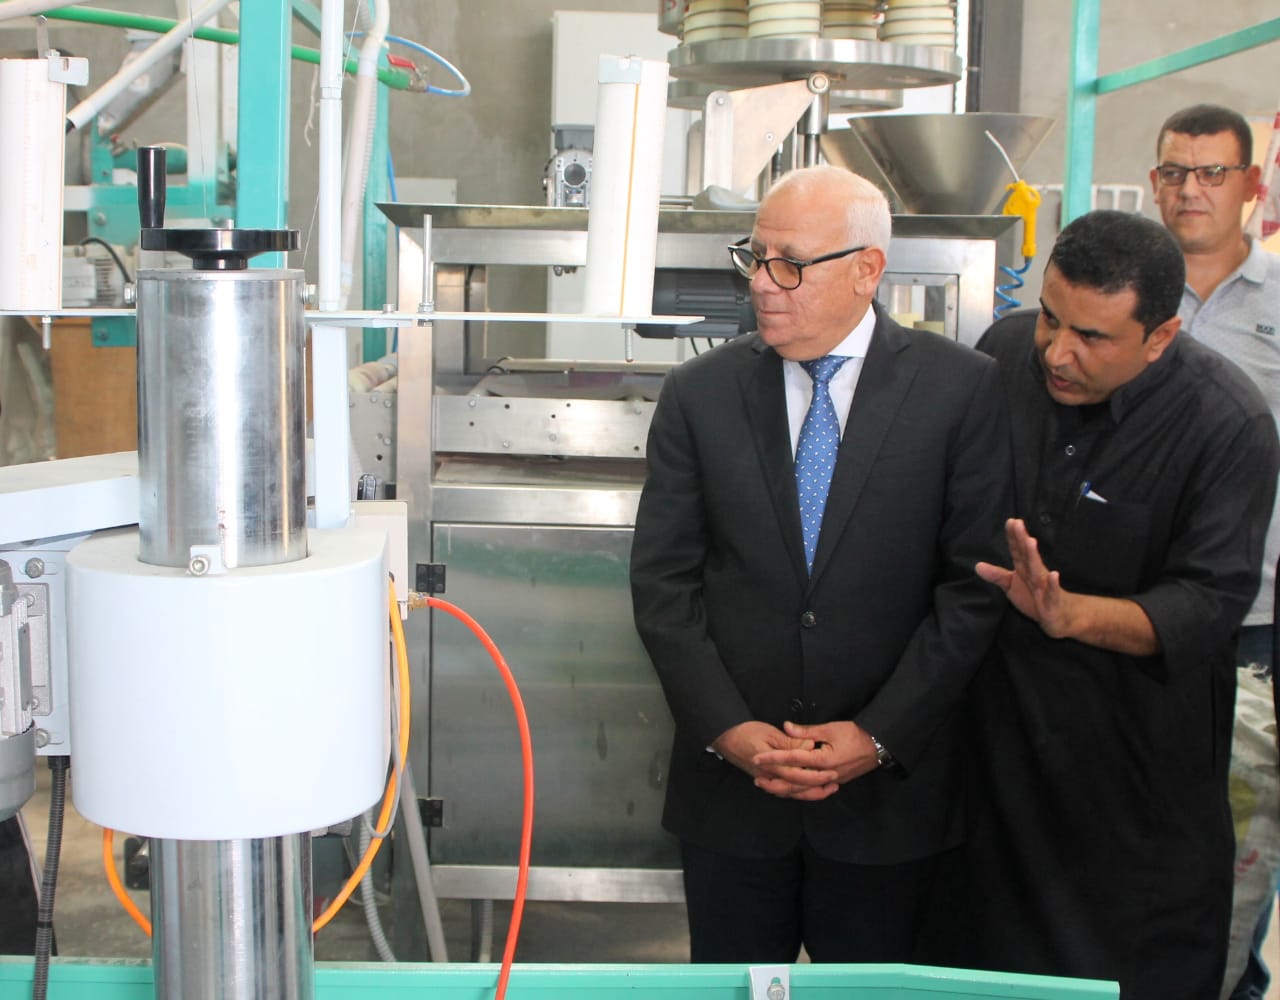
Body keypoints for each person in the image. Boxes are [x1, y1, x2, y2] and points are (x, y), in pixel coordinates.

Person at [629, 164, 1014, 964]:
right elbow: (664, 585)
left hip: (891, 804)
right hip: (734, 800)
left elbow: (971, 592)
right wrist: (730, 730)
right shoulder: (700, 394)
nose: (763, 284)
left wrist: (878, 735)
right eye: (755, 258)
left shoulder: (960, 390)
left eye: (791, 264)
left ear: (868, 270)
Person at [966, 209, 1280, 1000]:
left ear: (1161, 336)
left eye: (1092, 337)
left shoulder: (1227, 424)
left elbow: (1207, 602)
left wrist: (1071, 614)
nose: (1057, 352)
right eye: (1051, 317)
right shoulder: (1003, 352)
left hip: (1134, 791)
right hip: (996, 772)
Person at [1149, 103, 1280, 1000]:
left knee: (1238, 854)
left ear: (1251, 186)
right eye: (1174, 172)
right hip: (1134, 618)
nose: (1190, 190)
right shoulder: (1126, 292)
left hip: (1253, 629)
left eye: (1211, 173)